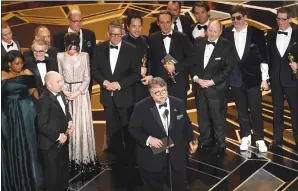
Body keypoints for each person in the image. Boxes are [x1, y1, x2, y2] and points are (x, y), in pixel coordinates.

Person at [129, 77, 197, 191]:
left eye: (164, 91)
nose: (161, 95)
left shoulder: (178, 103)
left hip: (176, 156)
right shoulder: (141, 107)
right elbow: (133, 128)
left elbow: (186, 124)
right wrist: (149, 139)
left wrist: (191, 139)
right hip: (152, 157)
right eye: (157, 92)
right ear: (151, 93)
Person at [222, 5, 268, 153]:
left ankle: (259, 138)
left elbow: (263, 57)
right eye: (233, 18)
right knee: (241, 111)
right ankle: (245, 136)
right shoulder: (227, 33)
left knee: (255, 110)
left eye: (238, 18)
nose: (236, 21)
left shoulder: (257, 33)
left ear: (245, 17)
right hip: (235, 79)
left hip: (253, 78)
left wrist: (264, 79)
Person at [91, 20, 139, 163]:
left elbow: (135, 73)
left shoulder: (131, 49)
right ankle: (113, 158)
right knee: (111, 128)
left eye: (118, 35)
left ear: (123, 34)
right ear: (108, 34)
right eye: (113, 35)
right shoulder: (99, 48)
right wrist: (104, 82)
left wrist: (119, 84)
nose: (116, 37)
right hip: (107, 96)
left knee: (126, 127)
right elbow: (95, 70)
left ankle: (129, 157)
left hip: (124, 95)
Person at [187, 20, 234, 157]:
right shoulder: (198, 43)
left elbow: (228, 68)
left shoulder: (227, 46)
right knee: (202, 116)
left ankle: (221, 143)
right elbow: (193, 64)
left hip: (216, 89)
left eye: (215, 31)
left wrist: (212, 82)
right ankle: (205, 140)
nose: (212, 34)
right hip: (200, 87)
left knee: (218, 117)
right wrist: (196, 79)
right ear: (207, 30)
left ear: (220, 32)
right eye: (210, 31)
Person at [57, 32, 99, 176]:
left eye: (75, 47)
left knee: (81, 125)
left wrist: (78, 92)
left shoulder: (84, 56)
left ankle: (83, 158)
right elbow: (59, 76)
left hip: (81, 95)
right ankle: (70, 159)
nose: (73, 50)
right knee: (69, 124)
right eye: (70, 47)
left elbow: (87, 78)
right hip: (66, 93)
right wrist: (64, 91)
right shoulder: (60, 56)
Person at [1, 50, 42, 191]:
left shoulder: (27, 73)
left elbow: (33, 91)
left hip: (27, 112)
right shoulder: (2, 76)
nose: (20, 66)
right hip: (10, 114)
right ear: (9, 63)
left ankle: (33, 179)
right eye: (16, 63)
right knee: (14, 143)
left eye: (21, 63)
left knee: (30, 143)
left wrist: (42, 108)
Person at [266, 7, 298, 151]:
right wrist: (266, 78)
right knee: (277, 111)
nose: (280, 22)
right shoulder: (271, 34)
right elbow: (268, 57)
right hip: (276, 80)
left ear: (290, 19)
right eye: (278, 19)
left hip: (292, 80)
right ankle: (277, 139)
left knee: (295, 111)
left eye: (283, 19)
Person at [36, 71, 73, 191]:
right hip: (50, 144)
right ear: (49, 84)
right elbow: (42, 125)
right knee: (52, 176)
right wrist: (58, 136)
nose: (61, 84)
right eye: (58, 81)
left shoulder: (60, 93)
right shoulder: (44, 100)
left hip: (62, 141)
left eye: (61, 80)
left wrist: (70, 121)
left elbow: (65, 111)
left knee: (63, 170)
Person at [148, 10, 193, 104]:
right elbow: (149, 60)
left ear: (172, 22)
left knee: (179, 116)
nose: (165, 25)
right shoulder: (152, 38)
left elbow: (191, 59)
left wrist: (175, 67)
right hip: (159, 85)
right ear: (158, 23)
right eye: (162, 22)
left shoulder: (183, 38)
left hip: (179, 84)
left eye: (168, 22)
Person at [53, 9, 96, 95]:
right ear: (69, 21)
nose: (79, 23)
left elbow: (93, 56)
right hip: (65, 82)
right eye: (76, 21)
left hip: (85, 81)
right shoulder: (59, 36)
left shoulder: (89, 34)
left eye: (81, 21)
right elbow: (57, 59)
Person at [123, 14, 152, 102]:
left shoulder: (145, 40)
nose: (137, 30)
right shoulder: (122, 42)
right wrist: (137, 70)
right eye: (134, 26)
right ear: (128, 27)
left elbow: (151, 59)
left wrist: (151, 76)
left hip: (145, 86)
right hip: (128, 88)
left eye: (139, 26)